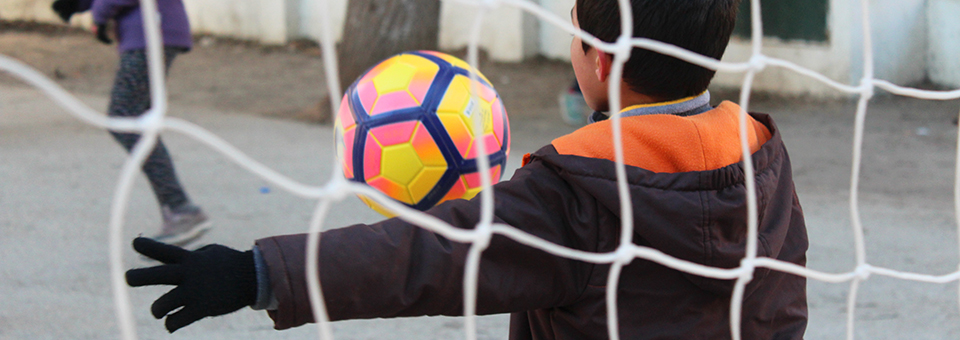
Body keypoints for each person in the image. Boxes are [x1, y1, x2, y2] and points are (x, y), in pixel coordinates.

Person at [125, 0, 809, 338]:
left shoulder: (574, 194)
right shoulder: (763, 158)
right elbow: (783, 308)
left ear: (601, 59)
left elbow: (422, 256)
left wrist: (255, 273)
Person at [52, 0, 211, 245]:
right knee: (137, 122)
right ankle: (178, 210)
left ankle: (181, 208)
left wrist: (99, 15)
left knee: (124, 118)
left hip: (151, 33)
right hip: (152, 31)